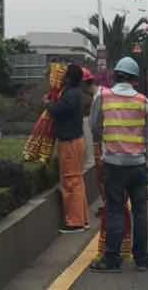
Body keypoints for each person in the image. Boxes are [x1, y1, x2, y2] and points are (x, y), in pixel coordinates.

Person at [89, 56, 148, 274]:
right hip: (138, 165)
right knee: (140, 212)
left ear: (115, 75)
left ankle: (112, 260)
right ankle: (142, 260)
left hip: (113, 165)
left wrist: (108, 141)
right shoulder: (144, 101)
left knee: (115, 210)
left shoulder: (102, 96)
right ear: (135, 80)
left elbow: (94, 126)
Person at [45, 63, 90, 233]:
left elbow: (58, 110)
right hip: (75, 141)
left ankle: (74, 223)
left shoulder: (70, 94)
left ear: (69, 78)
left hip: (70, 143)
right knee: (76, 181)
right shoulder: (74, 93)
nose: (61, 77)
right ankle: (81, 219)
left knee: (71, 182)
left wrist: (47, 104)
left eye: (64, 74)